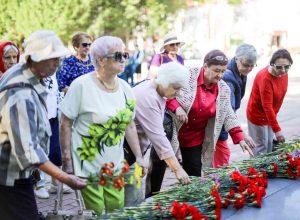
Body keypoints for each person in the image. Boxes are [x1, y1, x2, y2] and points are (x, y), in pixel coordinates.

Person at [0, 30, 86, 220]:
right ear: (34, 59)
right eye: (52, 58)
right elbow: (28, 152)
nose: (57, 63)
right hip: (9, 178)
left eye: (58, 58)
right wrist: (65, 177)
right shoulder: (20, 94)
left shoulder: (25, 72)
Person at [59, 36, 147, 216]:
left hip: (115, 163)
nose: (123, 59)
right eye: (117, 55)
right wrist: (67, 161)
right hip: (87, 164)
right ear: (100, 59)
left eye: (125, 55)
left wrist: (139, 157)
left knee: (117, 208)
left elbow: (129, 125)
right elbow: (65, 123)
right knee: (96, 212)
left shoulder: (125, 88)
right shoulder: (81, 86)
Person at [168, 50, 254, 176]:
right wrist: (176, 107)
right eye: (216, 70)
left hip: (194, 138)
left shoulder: (223, 89)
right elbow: (164, 91)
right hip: (171, 130)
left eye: (223, 71)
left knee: (194, 175)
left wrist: (239, 136)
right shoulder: (187, 75)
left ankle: (191, 196)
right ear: (205, 66)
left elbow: (228, 113)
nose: (220, 75)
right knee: (158, 170)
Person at [126, 62, 191, 203]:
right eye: (176, 88)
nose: (178, 92)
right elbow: (159, 139)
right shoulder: (147, 97)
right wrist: (177, 169)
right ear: (164, 82)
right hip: (126, 153)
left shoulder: (155, 89)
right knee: (132, 201)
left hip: (135, 152)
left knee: (133, 194)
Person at [215, 44, 257, 167]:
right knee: (221, 159)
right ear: (236, 59)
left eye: (252, 65)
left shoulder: (239, 70)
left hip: (223, 120)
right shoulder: (228, 79)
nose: (249, 68)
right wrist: (241, 134)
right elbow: (228, 111)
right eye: (245, 65)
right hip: (218, 122)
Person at [247, 49, 293, 156]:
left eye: (286, 67)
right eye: (279, 67)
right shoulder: (265, 78)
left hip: (271, 115)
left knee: (269, 144)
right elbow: (267, 106)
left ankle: (265, 171)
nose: (283, 70)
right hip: (258, 115)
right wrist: (277, 130)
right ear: (272, 64)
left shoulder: (283, 73)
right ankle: (255, 171)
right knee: (261, 148)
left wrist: (274, 124)